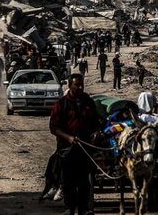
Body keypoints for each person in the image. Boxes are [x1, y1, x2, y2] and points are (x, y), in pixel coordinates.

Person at [49, 73, 100, 215]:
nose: (80, 87)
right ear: (69, 85)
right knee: (68, 180)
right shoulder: (61, 104)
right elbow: (54, 128)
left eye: (81, 84)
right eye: (77, 84)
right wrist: (69, 138)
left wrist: (96, 132)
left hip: (85, 148)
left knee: (85, 181)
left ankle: (83, 208)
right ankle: (70, 208)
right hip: (67, 149)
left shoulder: (88, 102)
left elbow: (96, 122)